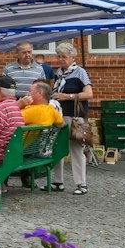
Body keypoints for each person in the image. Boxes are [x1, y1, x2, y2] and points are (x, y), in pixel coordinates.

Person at [52, 44, 92, 195]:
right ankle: (57, 181)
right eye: (59, 56)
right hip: (60, 116)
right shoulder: (58, 73)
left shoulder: (80, 72)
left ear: (73, 58)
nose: (61, 59)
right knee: (57, 148)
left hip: (76, 118)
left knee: (76, 149)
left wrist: (67, 96)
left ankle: (81, 184)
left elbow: (88, 94)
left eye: (64, 57)